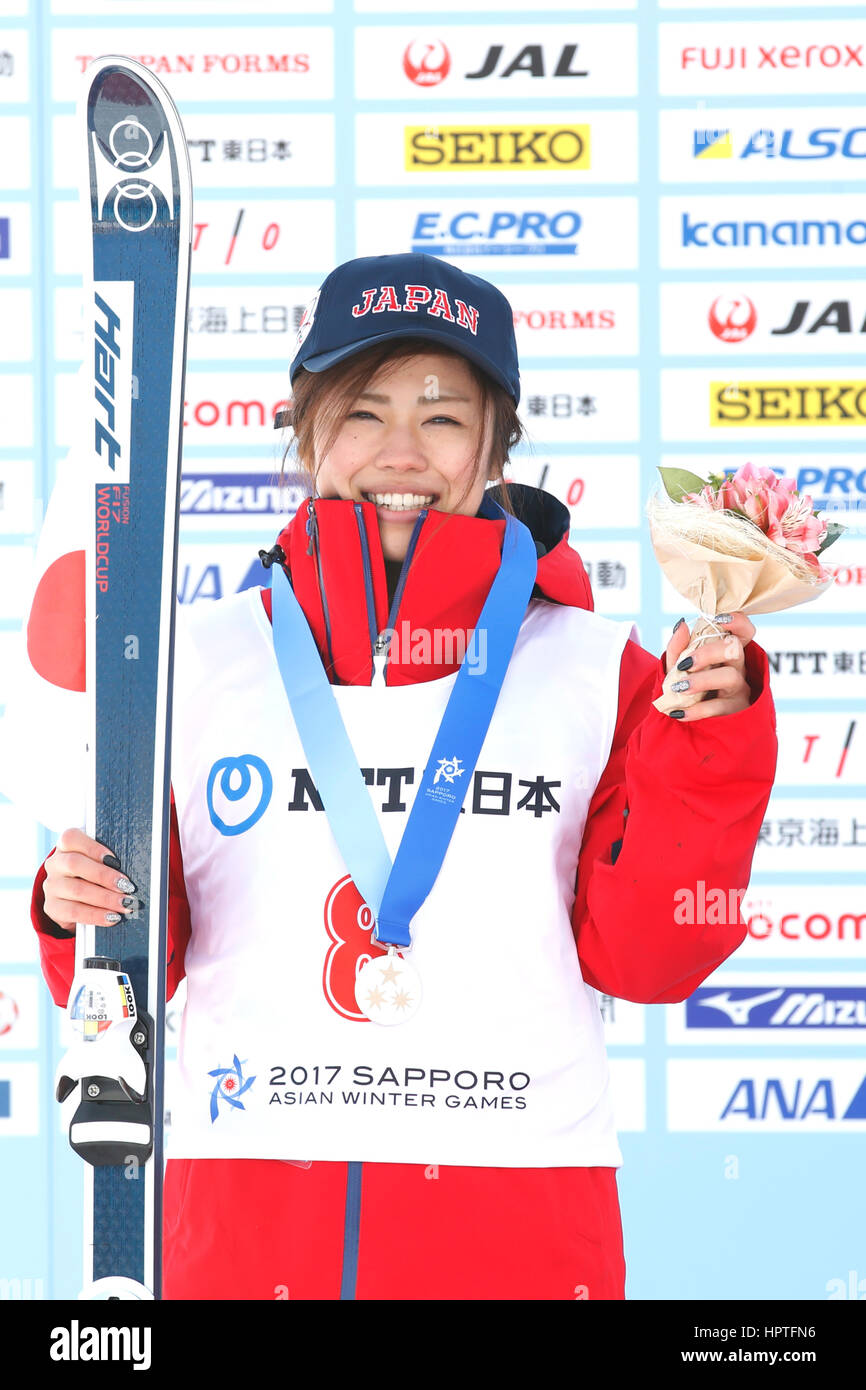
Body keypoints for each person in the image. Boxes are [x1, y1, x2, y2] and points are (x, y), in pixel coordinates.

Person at [32, 253, 777, 1301]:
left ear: (493, 445)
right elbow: (128, 979)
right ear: (305, 432)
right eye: (361, 412)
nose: (399, 452)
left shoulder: (601, 669)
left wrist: (711, 742)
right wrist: (80, 916)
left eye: (440, 417)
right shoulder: (190, 659)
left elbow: (649, 956)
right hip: (252, 1226)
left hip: (517, 1224)